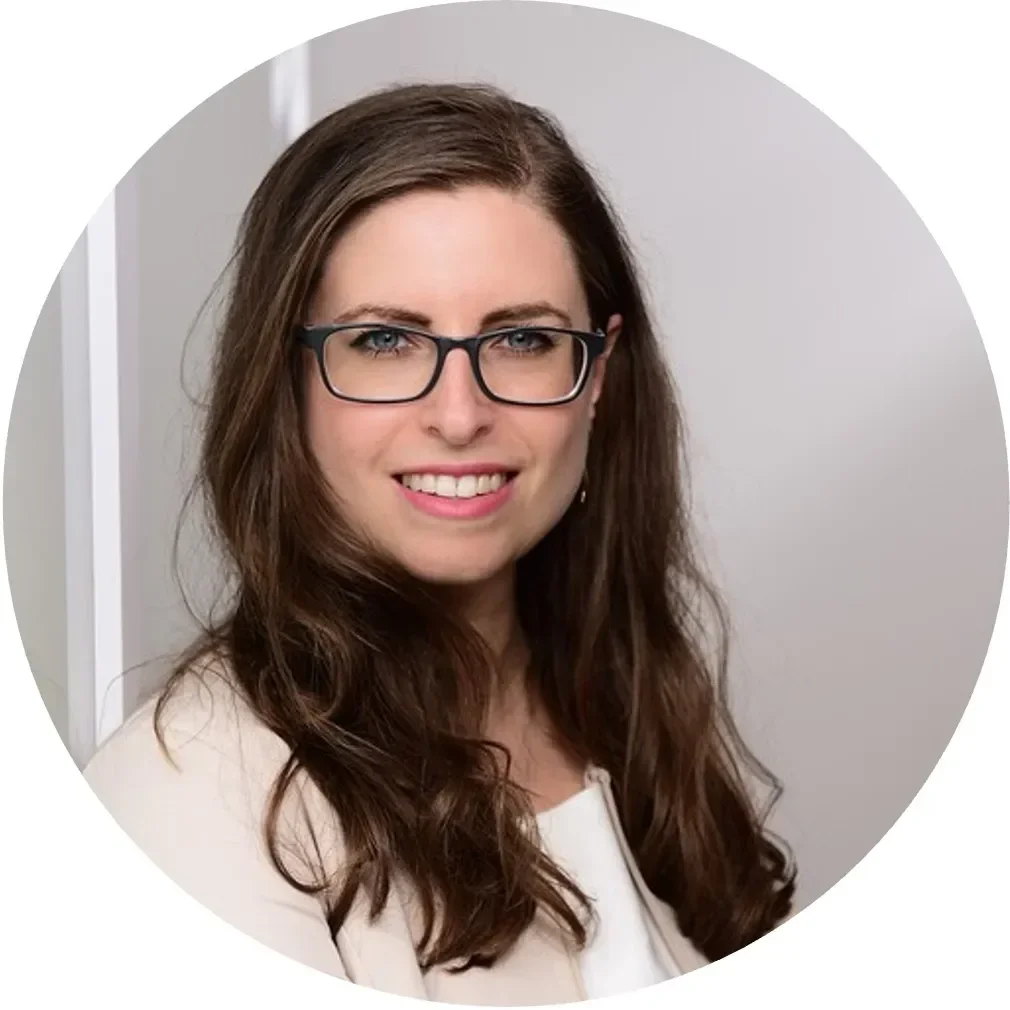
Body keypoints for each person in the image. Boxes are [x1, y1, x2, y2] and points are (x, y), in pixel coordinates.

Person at [84, 81, 795, 1003]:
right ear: (287, 380)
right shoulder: (194, 795)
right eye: (383, 341)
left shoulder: (629, 700)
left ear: (598, 377)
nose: (458, 416)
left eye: (524, 340)